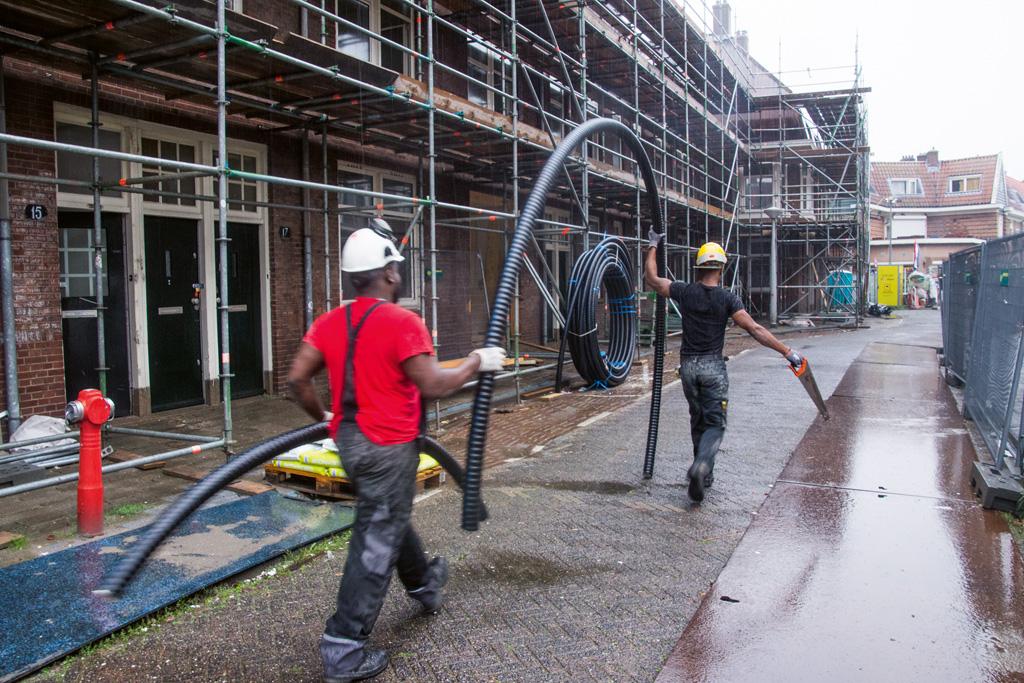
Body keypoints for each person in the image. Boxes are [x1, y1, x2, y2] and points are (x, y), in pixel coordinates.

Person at [288, 219, 506, 682]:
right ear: (387, 273)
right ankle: (343, 649)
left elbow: (296, 379)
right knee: (375, 541)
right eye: (396, 267)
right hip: (390, 447)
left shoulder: (330, 322)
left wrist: (323, 417)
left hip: (351, 443)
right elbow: (433, 383)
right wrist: (477, 361)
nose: (398, 273)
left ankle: (425, 584)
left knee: (388, 515)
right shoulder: (403, 322)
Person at [644, 231, 804, 503]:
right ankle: (701, 466)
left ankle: (703, 477)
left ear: (699, 267)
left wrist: (652, 245)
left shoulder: (684, 290)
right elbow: (754, 328)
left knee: (698, 420)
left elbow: (652, 279)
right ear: (721, 267)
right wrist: (787, 351)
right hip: (712, 368)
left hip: (688, 368)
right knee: (715, 424)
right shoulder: (727, 299)